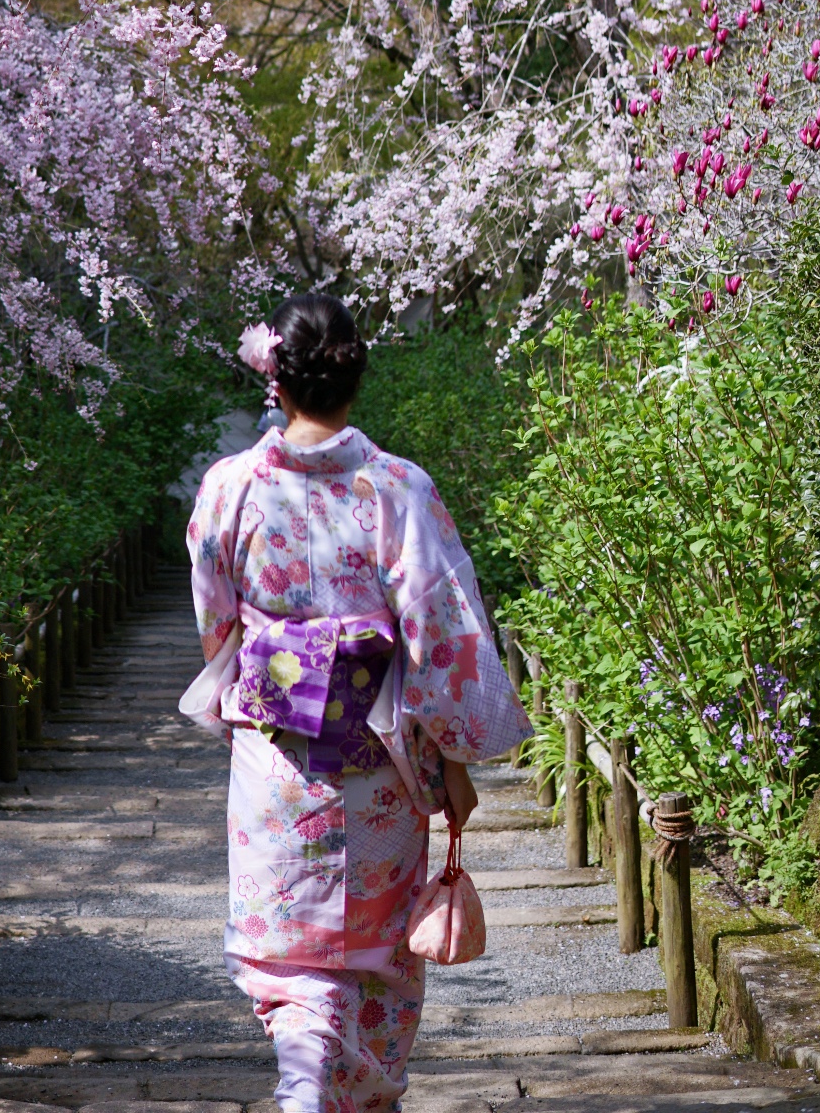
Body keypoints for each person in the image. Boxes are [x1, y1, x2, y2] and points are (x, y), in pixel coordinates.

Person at [179, 292, 531, 1113]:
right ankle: (345, 1095)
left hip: (278, 757)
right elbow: (442, 634)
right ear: (353, 379)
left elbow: (214, 622)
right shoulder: (395, 490)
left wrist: (279, 674)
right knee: (375, 959)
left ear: (278, 382)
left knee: (293, 959)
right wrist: (451, 752)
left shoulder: (229, 488)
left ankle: (304, 1083)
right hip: (382, 767)